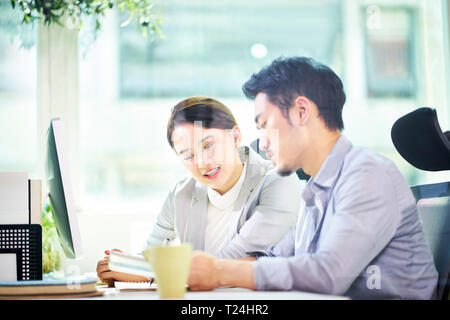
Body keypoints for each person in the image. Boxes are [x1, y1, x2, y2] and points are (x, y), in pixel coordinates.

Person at [187, 57, 438, 299]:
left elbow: (329, 273)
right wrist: (198, 271)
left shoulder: (368, 173)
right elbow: (273, 261)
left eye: (264, 125)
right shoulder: (317, 189)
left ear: (301, 111)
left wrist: (220, 272)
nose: (262, 143)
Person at [96, 96, 302, 285]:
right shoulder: (181, 193)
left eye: (208, 145)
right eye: (188, 155)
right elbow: (150, 256)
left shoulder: (279, 181)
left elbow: (240, 258)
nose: (203, 163)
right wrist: (123, 265)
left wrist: (148, 270)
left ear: (235, 137)